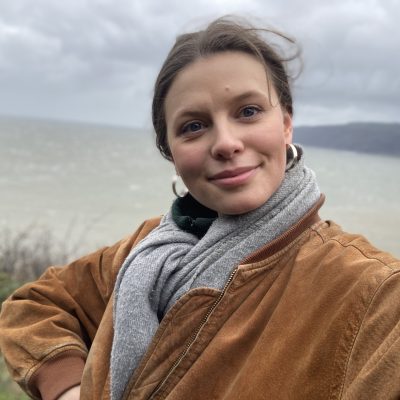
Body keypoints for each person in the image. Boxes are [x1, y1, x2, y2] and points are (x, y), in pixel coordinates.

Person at [1, 16, 400, 400]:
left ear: (286, 125)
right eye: (193, 125)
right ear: (171, 153)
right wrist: (70, 388)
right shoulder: (146, 249)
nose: (226, 142)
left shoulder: (373, 290)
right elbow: (33, 306)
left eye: (248, 111)